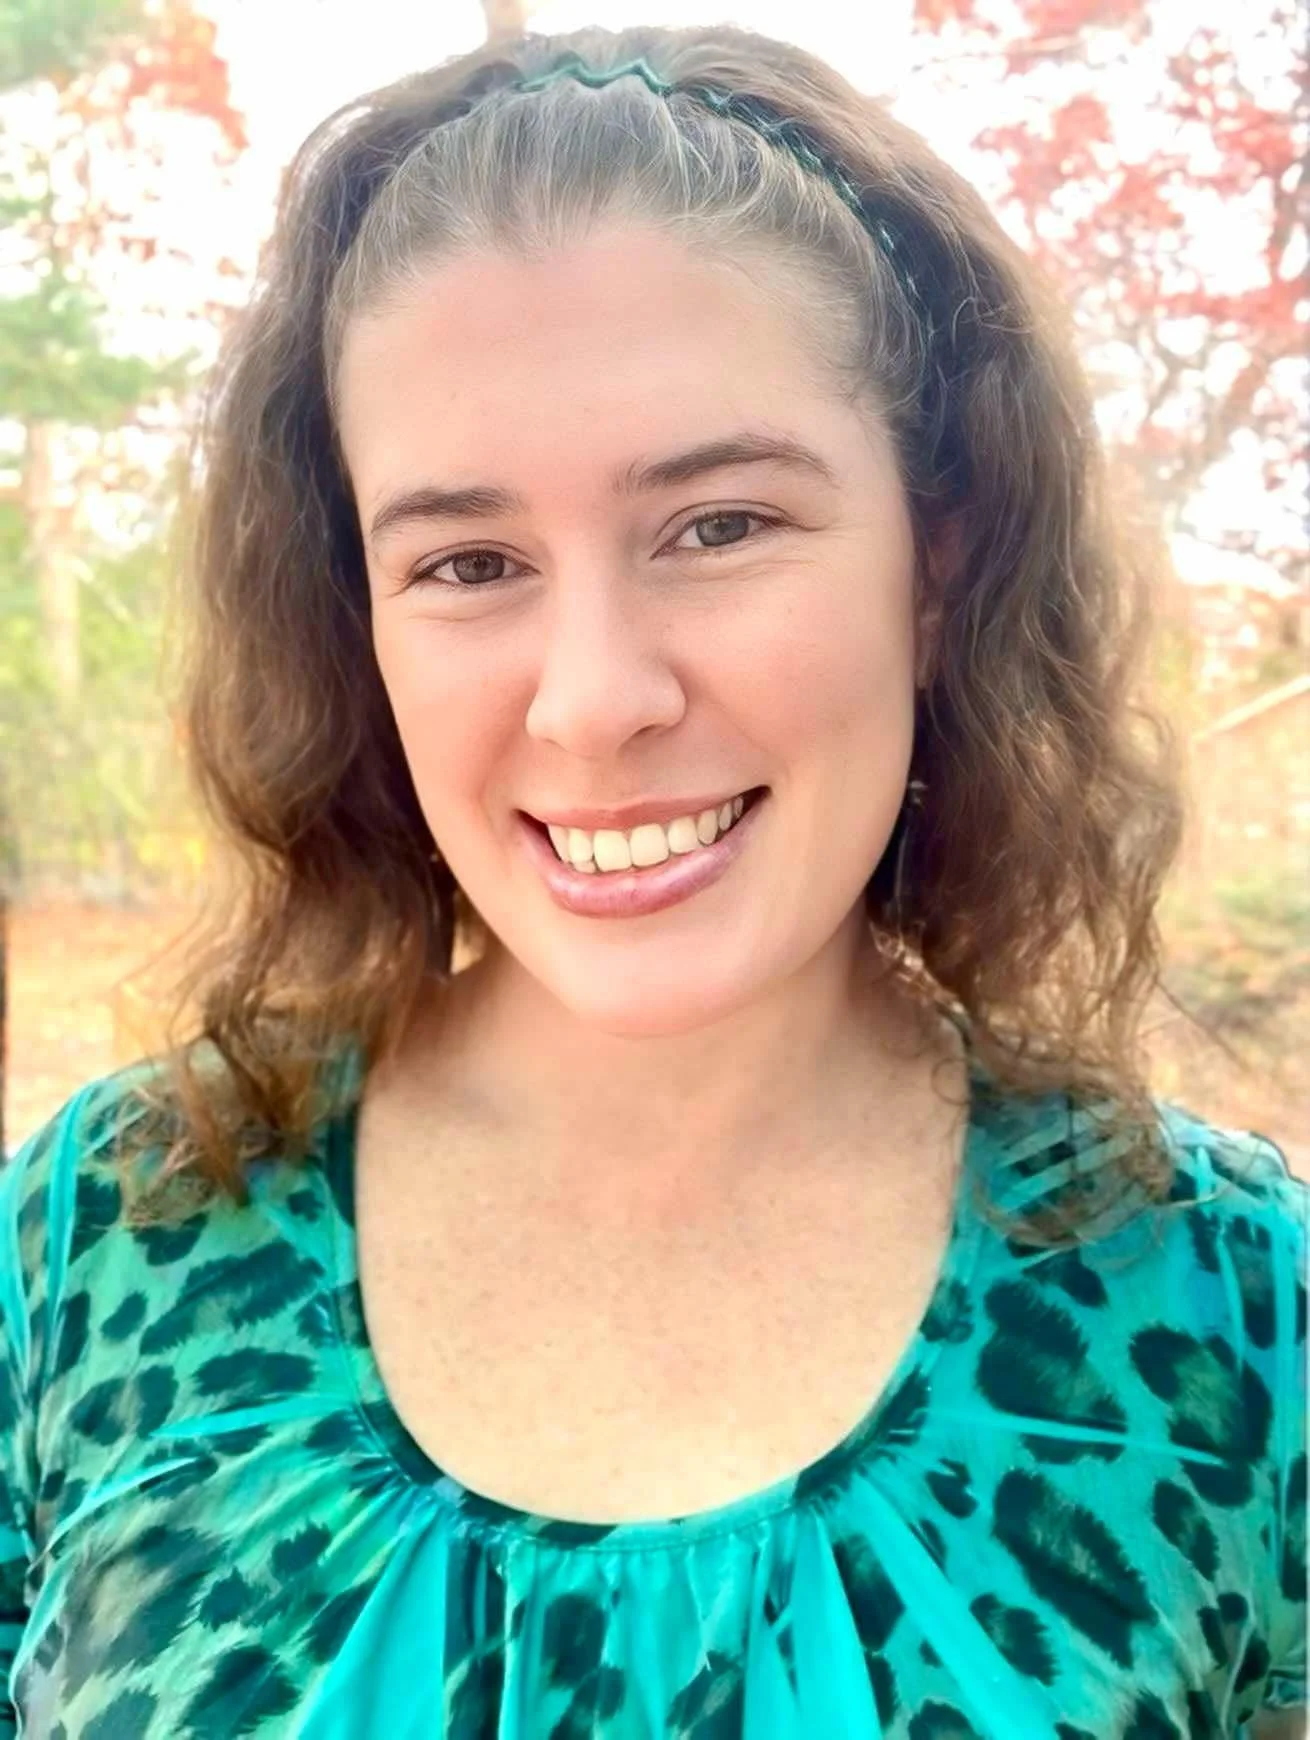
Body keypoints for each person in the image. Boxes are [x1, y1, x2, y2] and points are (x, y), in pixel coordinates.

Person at [1, 21, 1305, 1737]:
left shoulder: (1233, 1321)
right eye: (469, 562)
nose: (594, 699)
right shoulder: (97, 1243)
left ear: (940, 561)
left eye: (719, 525)